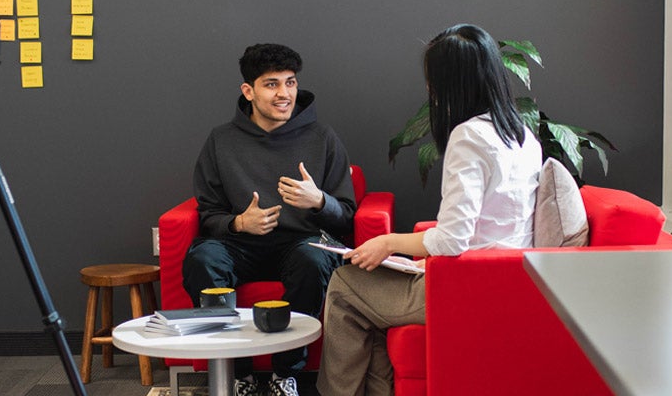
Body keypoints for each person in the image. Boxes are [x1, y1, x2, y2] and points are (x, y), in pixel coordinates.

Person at [316, 24, 543, 396]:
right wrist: (419, 258)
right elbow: (488, 227)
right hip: (508, 281)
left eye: (433, 80)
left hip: (468, 288)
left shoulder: (469, 137)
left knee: (344, 287)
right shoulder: (522, 135)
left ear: (452, 83)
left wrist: (389, 243)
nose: (429, 90)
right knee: (364, 300)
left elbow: (453, 239)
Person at [185, 43, 356, 396]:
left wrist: (319, 201)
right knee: (202, 259)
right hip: (239, 245)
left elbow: (346, 215)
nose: (284, 94)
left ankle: (285, 373)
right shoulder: (221, 140)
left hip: (300, 242)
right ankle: (238, 373)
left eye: (290, 83)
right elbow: (207, 214)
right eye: (272, 84)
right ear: (248, 91)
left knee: (311, 259)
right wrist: (238, 224)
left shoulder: (322, 137)